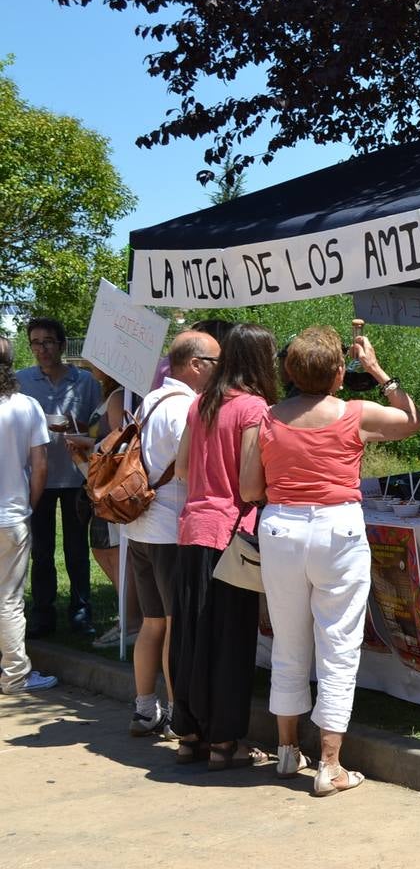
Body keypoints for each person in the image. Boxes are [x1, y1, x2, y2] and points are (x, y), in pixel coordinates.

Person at [241, 326, 420, 795]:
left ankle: (286, 751)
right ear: (339, 372)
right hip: (338, 528)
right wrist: (379, 370)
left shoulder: (265, 420)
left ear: (288, 371)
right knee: (338, 646)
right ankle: (329, 763)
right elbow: (410, 420)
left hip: (281, 527)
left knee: (288, 641)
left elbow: (249, 490)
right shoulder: (353, 414)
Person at [170, 323, 277, 771]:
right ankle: (223, 743)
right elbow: (251, 484)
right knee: (230, 640)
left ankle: (189, 734)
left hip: (194, 529)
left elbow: (180, 469)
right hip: (233, 534)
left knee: (190, 637)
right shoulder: (254, 407)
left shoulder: (202, 403)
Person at [124, 330, 219, 737]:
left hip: (142, 527)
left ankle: (146, 709)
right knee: (174, 625)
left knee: (152, 623)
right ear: (196, 365)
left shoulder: (151, 399)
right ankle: (180, 716)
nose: (220, 371)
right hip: (169, 529)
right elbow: (190, 468)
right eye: (216, 363)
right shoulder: (185, 408)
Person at [18, 317, 102, 638]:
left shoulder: (86, 382)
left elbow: (99, 430)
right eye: (36, 343)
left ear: (62, 345)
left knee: (77, 549)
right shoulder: (21, 381)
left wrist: (75, 423)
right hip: (37, 478)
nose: (42, 349)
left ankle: (81, 613)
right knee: (41, 551)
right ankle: (42, 614)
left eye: (48, 342)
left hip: (75, 477)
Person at [64, 362, 140, 648]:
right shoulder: (112, 394)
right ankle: (129, 617)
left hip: (108, 485)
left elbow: (121, 443)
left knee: (114, 553)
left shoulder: (120, 396)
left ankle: (130, 622)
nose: (90, 364)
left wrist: (82, 442)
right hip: (97, 483)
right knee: (104, 551)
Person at [0, 337, 58, 695]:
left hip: (12, 512)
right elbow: (40, 467)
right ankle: (15, 675)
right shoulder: (26, 406)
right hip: (11, 515)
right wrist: (30, 505)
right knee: (8, 598)